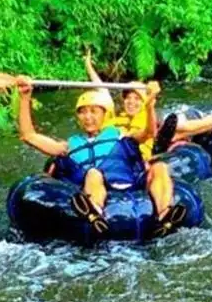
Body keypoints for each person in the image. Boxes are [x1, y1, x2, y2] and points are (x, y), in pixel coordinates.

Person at [15, 77, 186, 238]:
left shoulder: (121, 134)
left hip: (129, 183)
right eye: (82, 112)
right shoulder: (68, 146)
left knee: (160, 167)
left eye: (93, 112)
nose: (88, 117)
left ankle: (165, 215)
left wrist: (149, 105)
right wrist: (24, 98)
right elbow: (29, 136)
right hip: (94, 187)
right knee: (93, 173)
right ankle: (93, 212)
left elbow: (149, 132)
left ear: (105, 115)